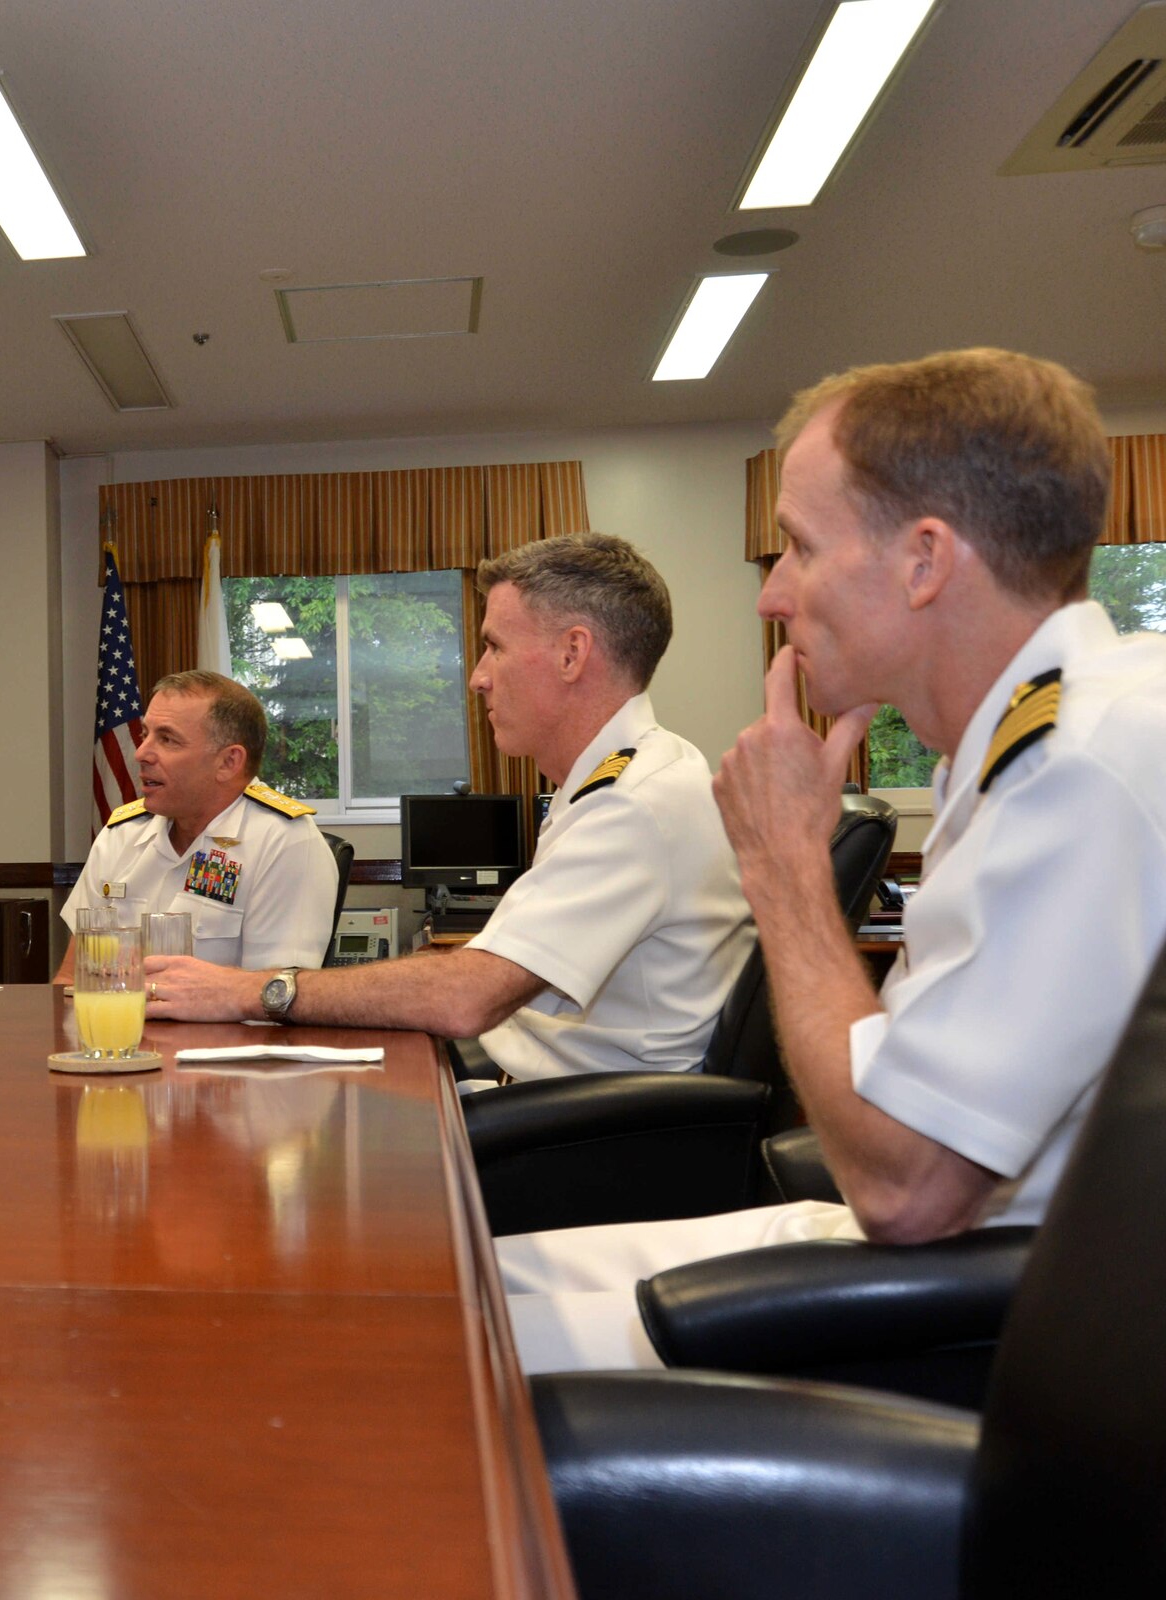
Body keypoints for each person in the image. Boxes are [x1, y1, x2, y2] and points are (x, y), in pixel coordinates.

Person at [493, 348, 1166, 1372]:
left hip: (995, 1333)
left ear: (924, 562)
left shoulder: (1079, 766)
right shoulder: (1038, 739)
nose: (772, 597)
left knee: (428, 1343)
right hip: (949, 1258)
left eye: (800, 547)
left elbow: (904, 1189)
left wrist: (784, 865)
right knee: (449, 1271)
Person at [145, 533, 753, 1085]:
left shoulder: (633, 803)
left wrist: (252, 991)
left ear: (572, 654)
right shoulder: (616, 781)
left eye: (494, 647)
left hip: (591, 1132)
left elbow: (467, 997)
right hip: (554, 1092)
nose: (478, 678)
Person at [57, 670, 339, 982]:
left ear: (228, 762)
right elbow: (71, 980)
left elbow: (276, 996)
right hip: (115, 1014)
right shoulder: (122, 835)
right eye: (144, 734)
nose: (141, 753)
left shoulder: (284, 842)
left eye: (167, 739)